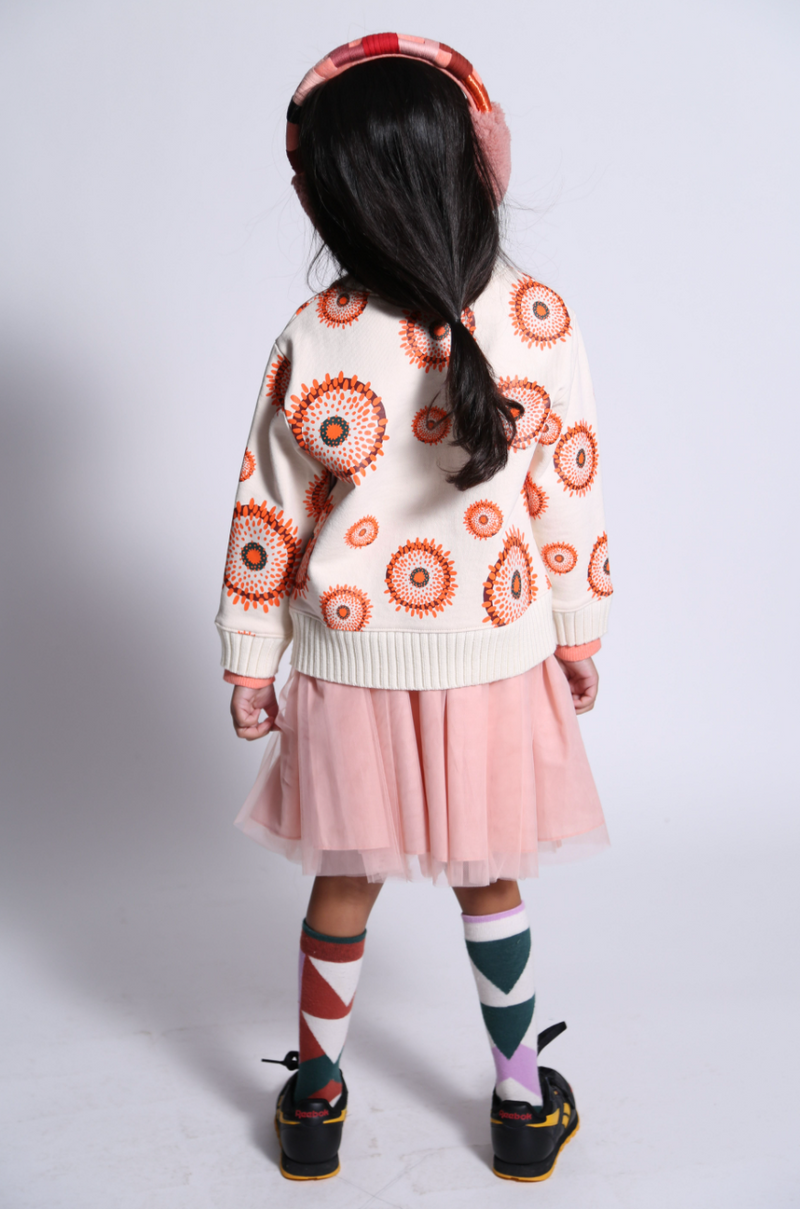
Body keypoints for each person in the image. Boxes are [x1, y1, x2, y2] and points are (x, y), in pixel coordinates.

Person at [215, 32, 613, 1184]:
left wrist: (249, 655)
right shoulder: (537, 318)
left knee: (343, 880)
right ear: (478, 161)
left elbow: (266, 513)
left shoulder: (315, 334)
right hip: (493, 655)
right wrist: (575, 633)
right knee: (492, 881)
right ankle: (521, 1107)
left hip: (347, 664)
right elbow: (568, 492)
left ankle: (313, 1105)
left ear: (326, 194)